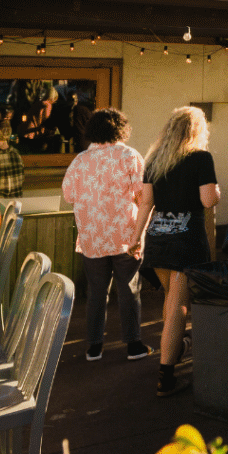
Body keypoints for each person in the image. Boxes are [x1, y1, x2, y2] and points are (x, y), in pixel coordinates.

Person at [128, 107, 220, 397]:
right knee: (178, 307)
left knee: (172, 301)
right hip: (186, 240)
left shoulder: (154, 160)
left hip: (157, 239)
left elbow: (145, 204)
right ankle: (166, 377)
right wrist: (216, 192)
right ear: (197, 131)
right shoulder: (201, 158)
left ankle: (177, 347)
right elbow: (208, 201)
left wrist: (136, 238)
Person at [62, 108, 150, 362]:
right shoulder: (129, 156)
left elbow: (69, 195)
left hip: (92, 237)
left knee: (96, 292)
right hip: (126, 235)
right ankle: (133, 345)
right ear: (121, 130)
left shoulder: (79, 161)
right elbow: (143, 195)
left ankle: (94, 347)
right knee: (129, 290)